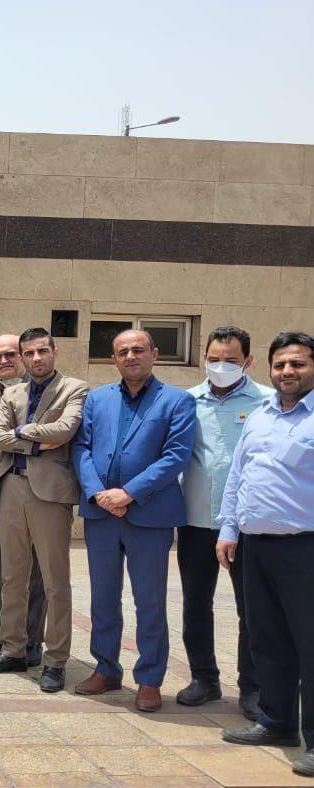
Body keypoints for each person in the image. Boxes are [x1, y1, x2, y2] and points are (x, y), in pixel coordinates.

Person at [72, 328, 195, 712]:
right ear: (113, 359)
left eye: (138, 349)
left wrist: (129, 493)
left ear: (154, 354)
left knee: (149, 601)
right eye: (122, 351)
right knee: (103, 596)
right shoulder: (97, 398)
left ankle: (150, 678)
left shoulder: (177, 400)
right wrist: (97, 493)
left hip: (150, 515)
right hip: (101, 515)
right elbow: (81, 448)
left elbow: (175, 456)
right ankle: (106, 668)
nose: (130, 356)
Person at [217, 331, 314, 779]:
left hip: (305, 548)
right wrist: (229, 528)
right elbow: (238, 475)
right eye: (280, 365)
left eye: (298, 363)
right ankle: (276, 722)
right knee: (267, 639)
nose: (287, 372)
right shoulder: (260, 415)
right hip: (256, 546)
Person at [0, 328, 88, 693]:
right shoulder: (13, 393)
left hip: (50, 495)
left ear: (54, 352)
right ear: (23, 358)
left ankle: (55, 660)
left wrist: (21, 433)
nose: (36, 358)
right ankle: (13, 649)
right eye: (29, 353)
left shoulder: (74, 389)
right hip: (11, 487)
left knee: (55, 582)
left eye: (42, 350)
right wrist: (37, 443)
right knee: (13, 577)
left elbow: (65, 429)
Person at [177, 326, 271, 715]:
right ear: (204, 358)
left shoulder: (267, 401)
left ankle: (253, 687)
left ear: (248, 361)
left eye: (230, 360)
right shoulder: (187, 401)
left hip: (247, 525)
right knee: (196, 602)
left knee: (252, 608)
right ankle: (204, 678)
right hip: (196, 521)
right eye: (214, 359)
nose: (221, 366)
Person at [0, 334, 46, 665]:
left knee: (35, 571)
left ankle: (31, 640)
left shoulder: (43, 390)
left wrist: (10, 439)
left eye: (10, 354)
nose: (3, 360)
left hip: (36, 488)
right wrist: (31, 441)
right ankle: (0, 636)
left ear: (22, 355)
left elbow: (55, 436)